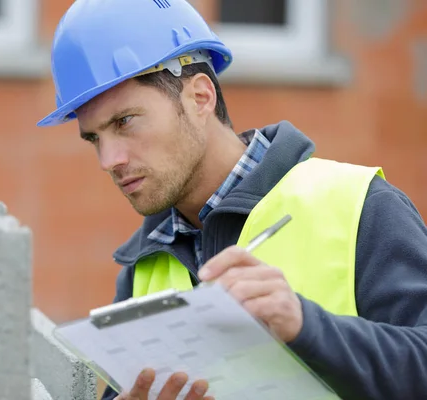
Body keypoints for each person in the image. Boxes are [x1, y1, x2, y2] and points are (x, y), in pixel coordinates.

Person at [37, 0, 427, 399]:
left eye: (125, 122)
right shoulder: (142, 269)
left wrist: (307, 326)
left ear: (200, 98)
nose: (109, 160)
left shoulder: (357, 205)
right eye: (95, 138)